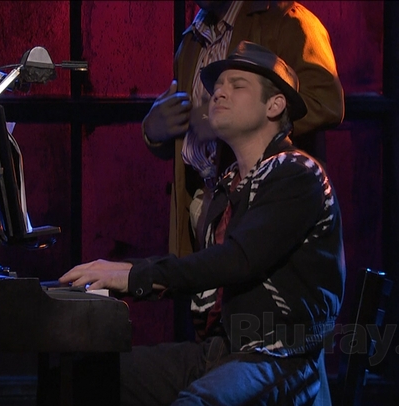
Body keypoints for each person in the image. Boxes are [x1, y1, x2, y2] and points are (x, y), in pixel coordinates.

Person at [60, 41, 345, 406]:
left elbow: (237, 260)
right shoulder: (228, 184)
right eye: (218, 86)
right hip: (221, 351)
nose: (219, 93)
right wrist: (123, 273)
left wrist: (134, 276)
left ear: (274, 105)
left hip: (280, 357)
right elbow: (206, 268)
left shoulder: (296, 173)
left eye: (237, 85)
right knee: (84, 378)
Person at [142, 1, 344, 260]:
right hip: (205, 203)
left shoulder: (288, 21)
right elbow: (191, 136)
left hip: (263, 206)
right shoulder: (192, 39)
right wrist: (154, 130)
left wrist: (225, 120)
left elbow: (326, 103)